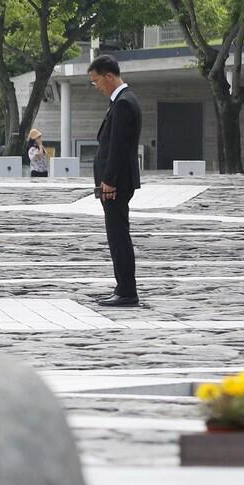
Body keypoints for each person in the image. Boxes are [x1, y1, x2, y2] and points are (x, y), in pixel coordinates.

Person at [88, 55, 142, 307]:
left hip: (117, 183)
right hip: (117, 181)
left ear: (108, 76)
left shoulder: (123, 103)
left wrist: (109, 180)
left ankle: (127, 291)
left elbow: (118, 147)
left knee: (118, 236)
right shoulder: (122, 101)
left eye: (96, 80)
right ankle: (122, 287)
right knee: (117, 235)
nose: (96, 86)